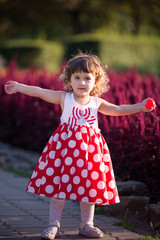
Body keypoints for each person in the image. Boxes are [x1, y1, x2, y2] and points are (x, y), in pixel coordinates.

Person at [4, 52, 156, 239]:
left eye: (87, 78)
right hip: (63, 151)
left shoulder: (96, 102)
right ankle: (54, 225)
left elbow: (117, 110)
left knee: (89, 188)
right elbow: (41, 92)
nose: (82, 82)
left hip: (90, 153)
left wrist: (140, 106)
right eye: (77, 77)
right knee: (59, 187)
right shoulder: (63, 98)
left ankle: (86, 225)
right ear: (69, 80)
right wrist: (19, 87)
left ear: (96, 81)